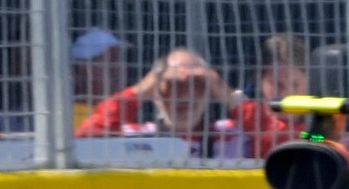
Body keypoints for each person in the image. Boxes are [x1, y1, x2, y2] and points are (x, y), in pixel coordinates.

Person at [76, 46, 292, 157]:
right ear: (155, 93)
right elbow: (84, 141)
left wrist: (227, 94)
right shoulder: (136, 136)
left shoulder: (233, 136)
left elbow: (294, 140)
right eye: (170, 86)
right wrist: (139, 90)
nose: (184, 95)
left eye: (196, 85)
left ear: (210, 92)